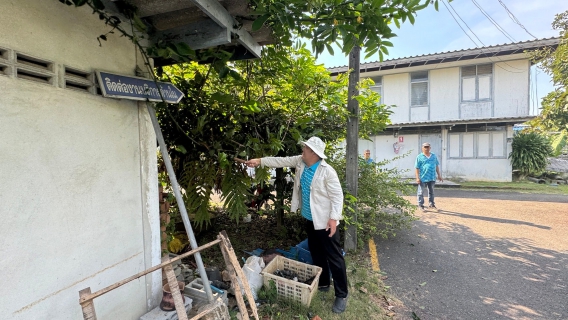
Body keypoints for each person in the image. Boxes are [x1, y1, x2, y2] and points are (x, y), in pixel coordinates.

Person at [244, 137, 348, 314]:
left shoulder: (327, 172)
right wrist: (259, 161)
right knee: (316, 252)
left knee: (334, 257)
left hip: (326, 222)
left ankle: (342, 294)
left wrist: (333, 218)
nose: (302, 150)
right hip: (310, 219)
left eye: (305, 148)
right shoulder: (301, 162)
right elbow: (280, 161)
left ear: (314, 153)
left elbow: (338, 197)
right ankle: (323, 283)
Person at [415, 142, 443, 211]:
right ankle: (420, 205)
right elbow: (417, 168)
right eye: (425, 147)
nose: (426, 148)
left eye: (427, 147)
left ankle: (431, 204)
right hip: (423, 177)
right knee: (420, 192)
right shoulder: (419, 157)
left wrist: (439, 175)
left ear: (430, 148)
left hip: (432, 177)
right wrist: (417, 178)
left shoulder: (433, 156)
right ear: (422, 148)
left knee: (431, 192)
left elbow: (436, 165)